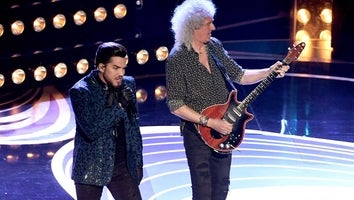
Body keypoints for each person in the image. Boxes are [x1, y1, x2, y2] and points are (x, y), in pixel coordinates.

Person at [165, 0, 290, 199]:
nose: (213, 27)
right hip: (198, 134)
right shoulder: (177, 59)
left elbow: (239, 75)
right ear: (193, 26)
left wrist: (269, 71)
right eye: (208, 24)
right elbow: (176, 105)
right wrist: (210, 121)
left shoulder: (214, 46)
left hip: (226, 128)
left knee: (221, 189)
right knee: (203, 192)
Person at [69, 42, 143, 200]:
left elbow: (133, 126)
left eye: (123, 68)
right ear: (101, 67)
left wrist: (137, 161)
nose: (121, 73)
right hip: (91, 166)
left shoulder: (127, 84)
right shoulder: (81, 91)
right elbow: (92, 130)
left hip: (122, 167)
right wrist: (120, 105)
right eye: (116, 68)